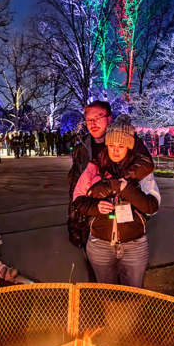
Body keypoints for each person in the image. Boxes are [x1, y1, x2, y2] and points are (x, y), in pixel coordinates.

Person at [72, 116, 162, 287]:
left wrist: (125, 189)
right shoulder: (94, 168)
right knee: (106, 292)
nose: (115, 151)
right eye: (111, 146)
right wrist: (96, 207)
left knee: (134, 293)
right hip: (100, 245)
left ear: (129, 147)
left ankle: (131, 315)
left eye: (121, 146)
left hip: (134, 246)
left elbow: (152, 207)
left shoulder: (141, 172)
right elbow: (78, 201)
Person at [67, 101, 154, 253]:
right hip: (93, 221)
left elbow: (146, 163)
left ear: (109, 118)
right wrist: (74, 219)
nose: (93, 123)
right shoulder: (82, 148)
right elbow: (75, 185)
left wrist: (113, 184)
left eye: (98, 117)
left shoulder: (125, 138)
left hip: (127, 224)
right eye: (89, 120)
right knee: (97, 270)